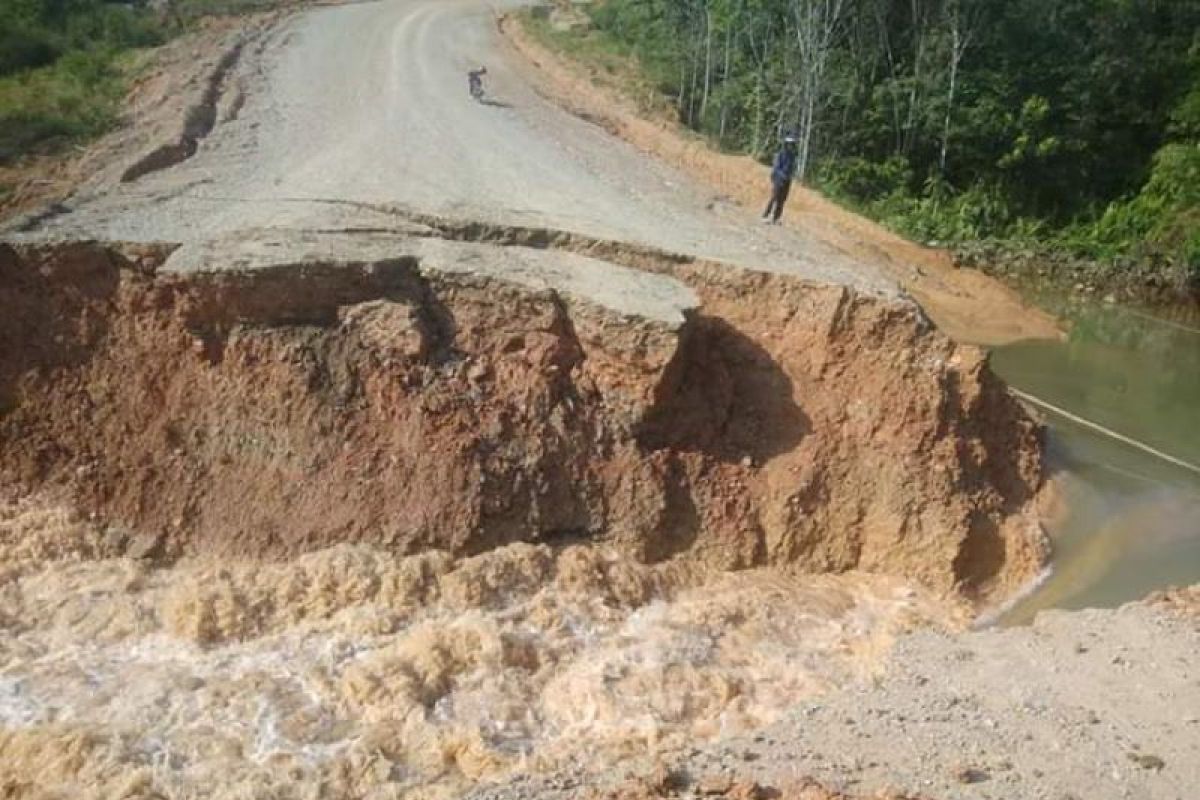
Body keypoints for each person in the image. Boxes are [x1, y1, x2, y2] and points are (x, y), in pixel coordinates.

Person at [762, 133, 798, 224]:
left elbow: (791, 168)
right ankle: (765, 215)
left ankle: (776, 218)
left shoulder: (792, 156)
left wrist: (790, 176)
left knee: (782, 200)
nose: (791, 146)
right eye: (789, 144)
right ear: (786, 144)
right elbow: (776, 167)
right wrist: (781, 176)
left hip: (787, 180)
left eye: (792, 144)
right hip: (778, 178)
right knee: (774, 197)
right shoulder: (780, 154)